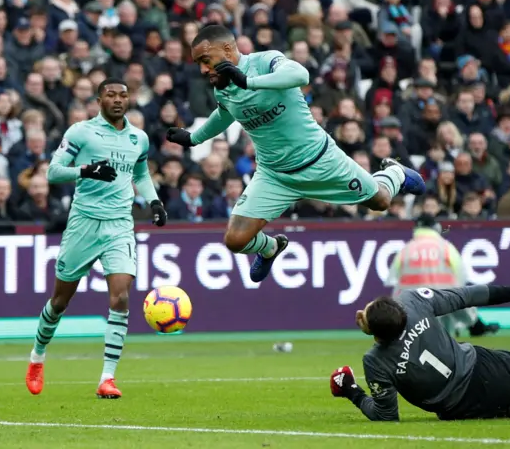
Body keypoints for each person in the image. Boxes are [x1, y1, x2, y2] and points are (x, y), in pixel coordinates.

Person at [165, 25, 426, 283]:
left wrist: (248, 81)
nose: (202, 69)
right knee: (235, 240)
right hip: (274, 176)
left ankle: (394, 172)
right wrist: (193, 138)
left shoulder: (264, 62)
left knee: (380, 201)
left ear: (227, 49)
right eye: (198, 62)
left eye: (205, 60)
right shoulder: (221, 86)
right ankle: (270, 248)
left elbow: (301, 75)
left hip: (320, 161)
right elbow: (224, 112)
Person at [24, 78, 167, 399]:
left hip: (119, 225)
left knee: (120, 296)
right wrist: (86, 171)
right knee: (60, 301)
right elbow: (53, 172)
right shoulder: (80, 132)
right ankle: (37, 357)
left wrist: (154, 201)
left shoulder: (138, 138)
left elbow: (141, 174)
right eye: (111, 95)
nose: (118, 100)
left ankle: (107, 378)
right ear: (99, 100)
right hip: (84, 223)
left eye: (123, 95)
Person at [330, 268, 510, 421]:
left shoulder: (375, 360)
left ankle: (505, 407)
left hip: (458, 410)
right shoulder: (411, 302)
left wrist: (352, 390)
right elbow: (468, 296)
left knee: (503, 398)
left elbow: (386, 414)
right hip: (485, 371)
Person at [386, 214, 499, 337]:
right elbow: (460, 272)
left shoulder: (406, 249)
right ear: (435, 227)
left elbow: (394, 277)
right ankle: (476, 327)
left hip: (412, 298)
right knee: (459, 298)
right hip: (442, 295)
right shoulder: (444, 246)